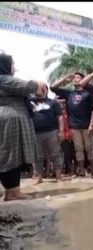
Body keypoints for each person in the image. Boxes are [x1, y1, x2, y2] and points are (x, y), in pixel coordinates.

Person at [0, 53, 47, 201]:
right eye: (12, 64)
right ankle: (12, 192)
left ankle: (12, 191)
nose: (15, 67)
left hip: (12, 120)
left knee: (12, 155)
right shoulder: (4, 79)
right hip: (10, 121)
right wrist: (39, 83)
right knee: (11, 155)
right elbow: (29, 86)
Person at [51, 72, 93, 177]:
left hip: (86, 125)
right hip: (74, 126)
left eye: (78, 77)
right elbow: (52, 87)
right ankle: (81, 170)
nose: (75, 79)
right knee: (78, 148)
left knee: (89, 148)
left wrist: (92, 124)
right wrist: (65, 77)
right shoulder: (69, 93)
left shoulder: (88, 93)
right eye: (74, 78)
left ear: (83, 80)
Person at [31, 85, 64, 184]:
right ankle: (39, 177)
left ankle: (58, 177)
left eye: (40, 88)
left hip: (52, 131)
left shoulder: (53, 102)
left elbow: (60, 117)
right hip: (36, 133)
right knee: (38, 156)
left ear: (46, 89)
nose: (38, 90)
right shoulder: (31, 102)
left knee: (56, 155)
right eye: (36, 88)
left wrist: (61, 131)